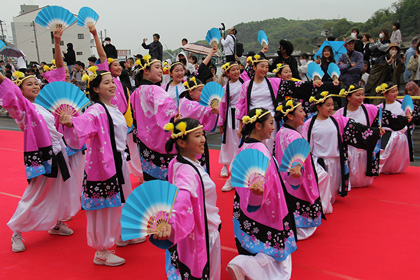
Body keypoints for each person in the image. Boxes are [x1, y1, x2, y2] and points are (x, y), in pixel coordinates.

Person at [59, 69, 135, 266]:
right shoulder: (97, 110)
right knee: (104, 207)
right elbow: (85, 122)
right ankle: (101, 250)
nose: (112, 85)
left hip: (118, 160)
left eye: (112, 82)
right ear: (95, 88)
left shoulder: (114, 107)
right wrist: (71, 123)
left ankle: (120, 235)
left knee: (120, 202)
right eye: (106, 83)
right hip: (104, 165)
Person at [1, 70, 76, 253]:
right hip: (42, 156)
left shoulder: (42, 107)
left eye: (36, 83)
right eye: (29, 84)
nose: (35, 86)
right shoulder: (23, 109)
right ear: (20, 90)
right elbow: (12, 95)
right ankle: (17, 232)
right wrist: (2, 78)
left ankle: (56, 223)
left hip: (58, 152)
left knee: (60, 190)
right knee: (35, 193)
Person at [227, 108, 297, 280]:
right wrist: (259, 194)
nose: (273, 127)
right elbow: (263, 182)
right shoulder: (260, 149)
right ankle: (245, 265)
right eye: (271, 123)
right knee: (274, 254)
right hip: (267, 206)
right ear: (258, 126)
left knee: (260, 244)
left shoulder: (246, 145)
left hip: (247, 205)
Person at [150, 118, 221, 280]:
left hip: (198, 228)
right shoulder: (186, 171)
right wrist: (170, 221)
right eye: (197, 136)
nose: (203, 139)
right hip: (202, 232)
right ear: (181, 143)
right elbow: (182, 196)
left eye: (202, 134)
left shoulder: (177, 162)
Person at [301, 91, 382, 211]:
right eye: (328, 105)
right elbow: (305, 144)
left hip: (336, 160)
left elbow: (357, 128)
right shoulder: (309, 124)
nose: (331, 108)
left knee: (333, 194)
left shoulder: (338, 120)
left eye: (332, 105)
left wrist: (375, 131)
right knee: (323, 191)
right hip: (319, 162)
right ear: (319, 107)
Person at [274, 99, 323, 239]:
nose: (304, 113)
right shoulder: (294, 136)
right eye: (301, 111)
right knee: (303, 196)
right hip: (297, 179)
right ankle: (300, 228)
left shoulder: (281, 132)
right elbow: (297, 159)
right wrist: (297, 168)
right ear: (290, 116)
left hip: (285, 178)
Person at [131, 54, 180, 181]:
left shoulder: (136, 92)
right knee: (167, 185)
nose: (160, 70)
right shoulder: (155, 90)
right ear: (145, 71)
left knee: (151, 184)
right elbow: (169, 110)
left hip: (144, 143)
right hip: (160, 143)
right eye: (157, 67)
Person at [179, 77, 219, 173]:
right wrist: (213, 108)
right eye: (201, 90)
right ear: (190, 92)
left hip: (199, 136)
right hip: (189, 139)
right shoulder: (186, 103)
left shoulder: (195, 102)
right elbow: (201, 109)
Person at [217, 62, 244, 191]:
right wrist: (220, 122)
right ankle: (225, 165)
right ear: (227, 73)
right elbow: (222, 106)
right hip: (230, 116)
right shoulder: (225, 87)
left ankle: (235, 168)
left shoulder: (245, 84)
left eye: (237, 69)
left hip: (241, 116)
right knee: (227, 142)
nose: (236, 72)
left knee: (238, 143)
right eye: (233, 70)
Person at [376, 83, 412, 174]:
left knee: (397, 156)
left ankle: (397, 168)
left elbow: (409, 116)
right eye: (393, 92)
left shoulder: (402, 104)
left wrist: (409, 117)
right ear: (385, 94)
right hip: (385, 135)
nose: (396, 93)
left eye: (396, 91)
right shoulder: (379, 107)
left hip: (399, 135)